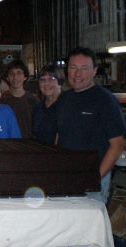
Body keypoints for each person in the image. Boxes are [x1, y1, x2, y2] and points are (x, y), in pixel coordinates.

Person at [56, 47, 125, 203]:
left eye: (84, 68)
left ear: (94, 71)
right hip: (66, 177)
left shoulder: (105, 101)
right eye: (73, 68)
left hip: (93, 182)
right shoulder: (64, 99)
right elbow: (59, 136)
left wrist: (94, 178)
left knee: (90, 226)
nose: (77, 74)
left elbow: (118, 145)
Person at [0, 60, 39, 138]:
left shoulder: (33, 100)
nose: (15, 77)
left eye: (19, 73)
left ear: (25, 77)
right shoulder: (1, 100)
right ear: (7, 78)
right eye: (11, 73)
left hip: (29, 145)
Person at [32, 64, 65, 145]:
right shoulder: (38, 108)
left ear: (60, 81)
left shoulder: (67, 105)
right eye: (42, 79)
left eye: (51, 79)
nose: (46, 83)